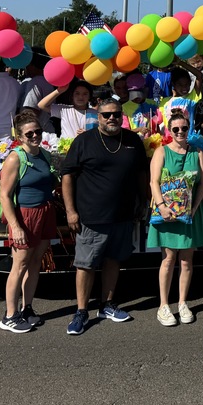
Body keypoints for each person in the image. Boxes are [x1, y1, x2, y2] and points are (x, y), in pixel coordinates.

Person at [61, 99, 149, 335]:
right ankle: (81, 311)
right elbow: (67, 176)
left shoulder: (132, 140)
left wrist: (144, 200)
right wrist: (70, 211)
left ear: (122, 116)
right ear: (98, 117)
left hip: (123, 214)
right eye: (106, 115)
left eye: (116, 114)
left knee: (114, 260)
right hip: (91, 217)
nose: (112, 118)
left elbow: (141, 172)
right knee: (86, 265)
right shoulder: (84, 141)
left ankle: (107, 305)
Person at [148, 110, 203, 327]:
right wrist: (163, 207)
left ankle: (182, 302)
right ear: (169, 130)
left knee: (186, 260)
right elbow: (153, 182)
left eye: (184, 128)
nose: (181, 132)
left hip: (190, 213)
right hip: (168, 214)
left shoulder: (198, 152)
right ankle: (163, 305)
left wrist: (194, 208)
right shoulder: (161, 152)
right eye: (176, 129)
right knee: (168, 259)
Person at [0, 112, 58, 333]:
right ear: (20, 136)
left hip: (45, 211)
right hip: (25, 215)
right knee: (20, 264)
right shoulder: (15, 157)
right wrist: (15, 226)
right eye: (29, 133)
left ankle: (27, 308)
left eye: (37, 131)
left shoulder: (44, 155)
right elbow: (5, 195)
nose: (34, 136)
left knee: (35, 263)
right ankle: (9, 315)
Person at [17, 50, 54, 132]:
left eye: (28, 64)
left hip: (36, 132)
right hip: (46, 129)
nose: (26, 68)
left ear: (33, 65)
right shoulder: (47, 81)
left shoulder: (35, 82)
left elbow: (32, 111)